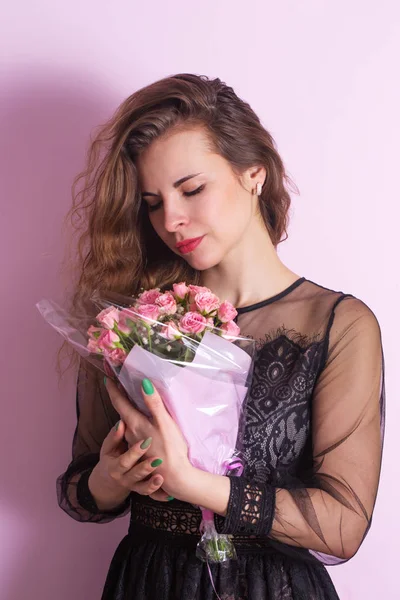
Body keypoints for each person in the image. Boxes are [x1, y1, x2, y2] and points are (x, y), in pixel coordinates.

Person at [57, 73, 385, 600]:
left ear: (254, 174)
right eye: (153, 202)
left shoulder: (337, 323)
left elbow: (344, 526)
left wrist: (191, 483)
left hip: (273, 588)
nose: (172, 219)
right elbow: (80, 489)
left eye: (191, 189)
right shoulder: (136, 320)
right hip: (149, 582)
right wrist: (112, 478)